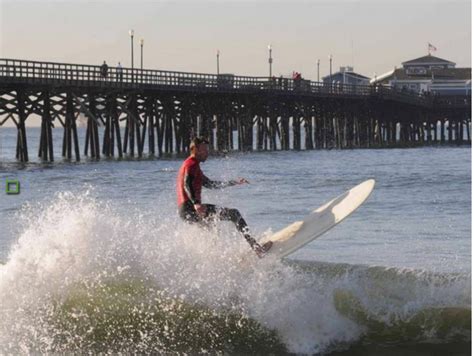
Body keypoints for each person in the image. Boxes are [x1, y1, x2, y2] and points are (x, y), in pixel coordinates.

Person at [176, 137, 273, 257]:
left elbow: (210, 184)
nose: (207, 152)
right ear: (195, 149)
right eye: (204, 150)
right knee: (234, 214)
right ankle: (257, 249)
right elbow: (187, 183)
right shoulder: (191, 164)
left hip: (185, 211)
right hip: (190, 208)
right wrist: (196, 203)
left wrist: (234, 182)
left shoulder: (194, 166)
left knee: (212, 230)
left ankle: (217, 259)